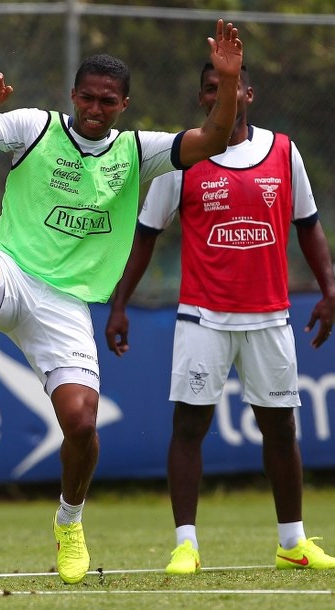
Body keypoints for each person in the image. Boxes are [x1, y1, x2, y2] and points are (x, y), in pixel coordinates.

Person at [0, 19, 244, 584]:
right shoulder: (33, 127)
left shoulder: (138, 152)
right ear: (72, 96)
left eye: (107, 101)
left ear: (124, 104)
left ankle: (69, 522)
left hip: (67, 305)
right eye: (87, 97)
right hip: (13, 271)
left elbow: (212, 140)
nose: (95, 108)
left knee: (81, 423)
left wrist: (230, 80)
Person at [105, 63, 335, 574]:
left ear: (248, 93)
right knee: (189, 425)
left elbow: (310, 225)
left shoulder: (283, 150)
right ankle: (185, 545)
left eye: (229, 85)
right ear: (201, 98)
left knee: (279, 429)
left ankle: (292, 542)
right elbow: (145, 235)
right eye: (211, 87)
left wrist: (329, 289)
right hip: (202, 317)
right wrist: (119, 304)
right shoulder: (182, 158)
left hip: (270, 317)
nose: (221, 94)